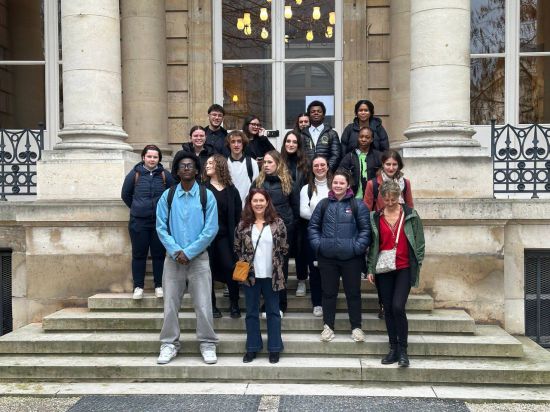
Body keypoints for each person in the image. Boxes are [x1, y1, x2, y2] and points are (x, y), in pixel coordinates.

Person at [155, 151, 219, 365]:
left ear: (197, 170)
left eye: (190, 165)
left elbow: (211, 229)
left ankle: (208, 343)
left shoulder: (206, 195)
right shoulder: (168, 195)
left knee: (203, 304)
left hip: (199, 259)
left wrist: (189, 252)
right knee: (170, 305)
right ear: (176, 171)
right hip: (173, 260)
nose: (186, 168)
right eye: (182, 166)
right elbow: (161, 227)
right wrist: (176, 251)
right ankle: (169, 344)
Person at [308, 169, 371, 343]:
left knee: (353, 293)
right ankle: (328, 327)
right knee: (328, 293)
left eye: (341, 183)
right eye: (335, 182)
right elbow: (313, 228)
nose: (338, 186)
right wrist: (320, 245)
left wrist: (356, 248)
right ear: (331, 184)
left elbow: (366, 230)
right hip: (327, 258)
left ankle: (356, 327)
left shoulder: (358, 205)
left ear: (348, 185)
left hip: (351, 258)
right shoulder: (323, 204)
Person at [367, 180, 425, 367]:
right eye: (387, 199)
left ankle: (403, 350)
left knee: (398, 307)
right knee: (388, 309)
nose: (390, 202)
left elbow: (420, 241)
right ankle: (393, 348)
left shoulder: (410, 215)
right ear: (381, 198)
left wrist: (419, 261)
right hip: (383, 268)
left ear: (399, 196)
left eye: (393, 199)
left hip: (404, 267)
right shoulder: (375, 217)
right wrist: (370, 268)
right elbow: (373, 246)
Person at [235, 188, 288, 364]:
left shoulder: (277, 223)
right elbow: (237, 247)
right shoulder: (243, 224)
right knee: (251, 313)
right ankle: (252, 348)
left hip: (271, 275)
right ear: (250, 203)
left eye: (261, 200)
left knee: (273, 312)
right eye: (255, 201)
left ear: (267, 202)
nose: (258, 204)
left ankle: (274, 348)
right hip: (251, 275)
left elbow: (284, 246)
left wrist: (277, 263)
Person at [363, 149, 414, 320]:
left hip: (399, 231)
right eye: (388, 164)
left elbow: (410, 208)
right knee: (381, 268)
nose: (391, 167)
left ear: (399, 165)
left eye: (394, 164)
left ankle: (395, 304)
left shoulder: (405, 183)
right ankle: (383, 303)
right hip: (380, 230)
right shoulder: (373, 184)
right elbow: (366, 208)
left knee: (398, 268)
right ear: (382, 165)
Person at [121, 145, 174, 300]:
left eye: (155, 157)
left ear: (159, 159)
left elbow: (173, 194)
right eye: (149, 156)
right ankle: (138, 286)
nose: (152, 160)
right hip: (139, 222)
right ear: (143, 157)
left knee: (159, 255)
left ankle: (159, 285)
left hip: (159, 222)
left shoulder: (165, 175)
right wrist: (138, 207)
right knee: (139, 254)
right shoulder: (134, 174)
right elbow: (125, 194)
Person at [252, 150, 300, 315]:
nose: (266, 165)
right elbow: (250, 207)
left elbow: (295, 208)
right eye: (264, 162)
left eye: (270, 162)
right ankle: (265, 303)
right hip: (261, 231)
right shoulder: (258, 182)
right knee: (264, 267)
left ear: (278, 163)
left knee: (281, 268)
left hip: (282, 232)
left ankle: (281, 303)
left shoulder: (289, 183)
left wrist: (289, 227)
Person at [202, 154, 243, 318]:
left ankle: (234, 304)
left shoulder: (231, 190)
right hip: (206, 238)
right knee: (207, 271)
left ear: (220, 165)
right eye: (207, 163)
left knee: (230, 267)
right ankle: (211, 305)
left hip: (226, 236)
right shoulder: (202, 188)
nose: (207, 165)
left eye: (211, 163)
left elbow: (238, 214)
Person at [299, 155, 331, 316]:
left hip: (333, 235)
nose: (319, 168)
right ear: (312, 168)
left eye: (322, 165)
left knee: (330, 268)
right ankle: (317, 302)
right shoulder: (307, 189)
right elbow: (303, 212)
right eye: (316, 165)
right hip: (313, 235)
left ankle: (329, 300)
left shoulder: (335, 185)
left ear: (327, 166)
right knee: (315, 269)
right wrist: (324, 218)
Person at [280, 130, 310, 297]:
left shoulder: (305, 164)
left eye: (294, 142)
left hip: (300, 212)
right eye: (288, 141)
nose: (290, 144)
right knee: (283, 248)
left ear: (298, 145)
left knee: (300, 249)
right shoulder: (278, 162)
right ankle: (280, 281)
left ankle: (301, 280)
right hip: (283, 212)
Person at [339, 126, 382, 199]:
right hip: (353, 198)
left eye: (367, 137)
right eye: (361, 137)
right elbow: (340, 174)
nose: (363, 139)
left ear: (371, 139)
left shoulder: (379, 156)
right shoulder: (350, 156)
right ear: (358, 138)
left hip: (373, 199)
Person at [301, 100, 341, 171]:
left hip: (327, 174)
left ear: (323, 114)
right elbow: (300, 155)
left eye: (319, 111)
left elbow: (336, 155)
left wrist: (325, 170)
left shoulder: (332, 133)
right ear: (309, 115)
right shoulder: (302, 134)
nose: (316, 113)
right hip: (307, 174)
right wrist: (308, 170)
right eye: (313, 112)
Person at [226, 130, 259, 207]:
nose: (236, 145)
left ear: (243, 144)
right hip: (230, 207)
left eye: (239, 141)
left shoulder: (252, 163)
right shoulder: (224, 164)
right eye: (233, 142)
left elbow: (257, 187)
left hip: (248, 207)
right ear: (229, 145)